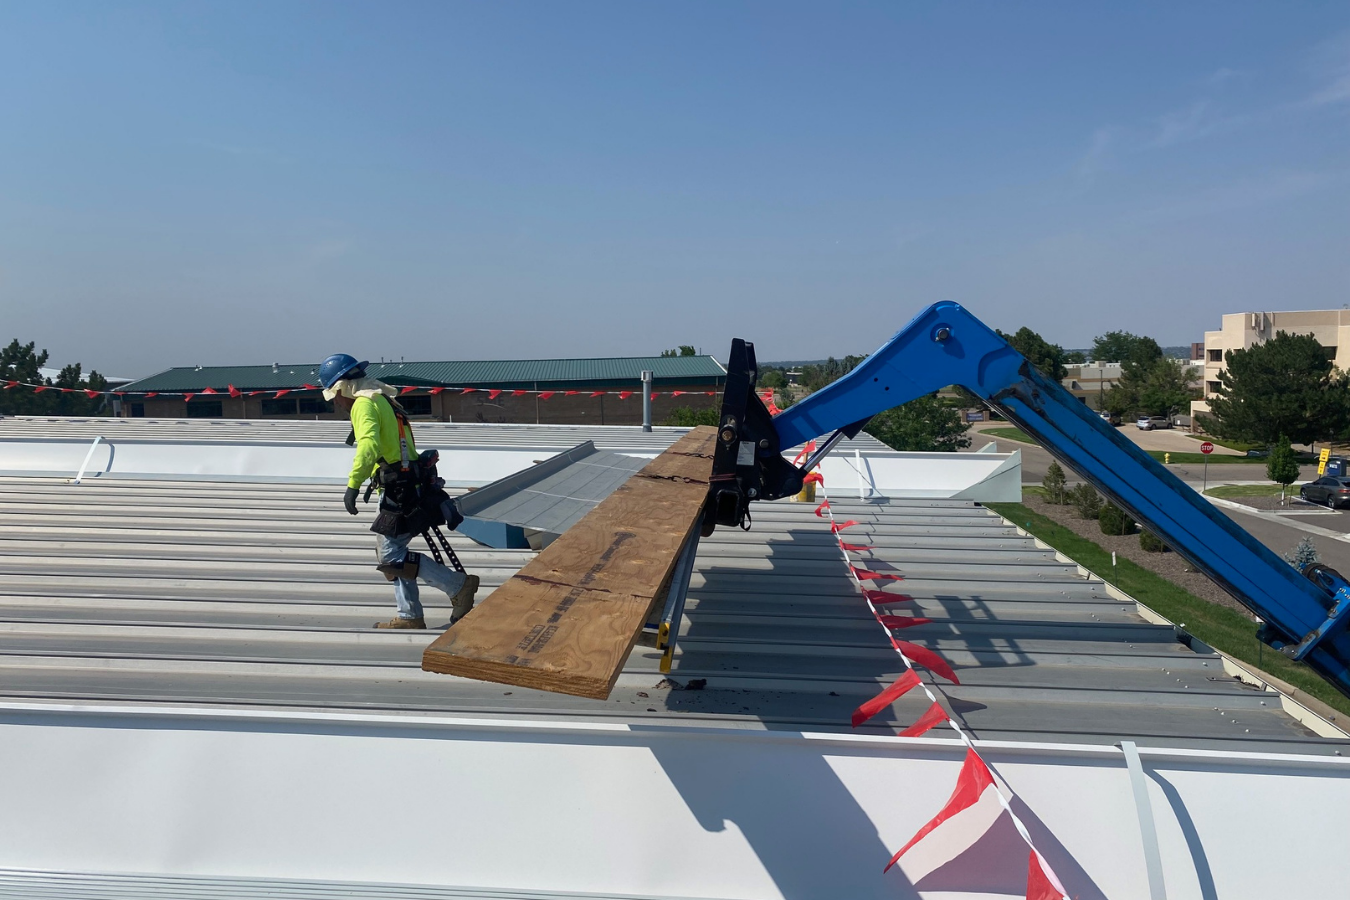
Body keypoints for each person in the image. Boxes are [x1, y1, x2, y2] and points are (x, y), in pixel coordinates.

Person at [319, 353, 479, 629]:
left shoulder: (363, 405)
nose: (336, 403)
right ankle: (409, 615)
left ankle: (457, 586)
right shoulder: (383, 400)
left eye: (335, 396)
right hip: (407, 484)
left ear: (342, 387)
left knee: (391, 557)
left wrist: (353, 485)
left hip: (399, 489)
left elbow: (368, 446)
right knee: (392, 553)